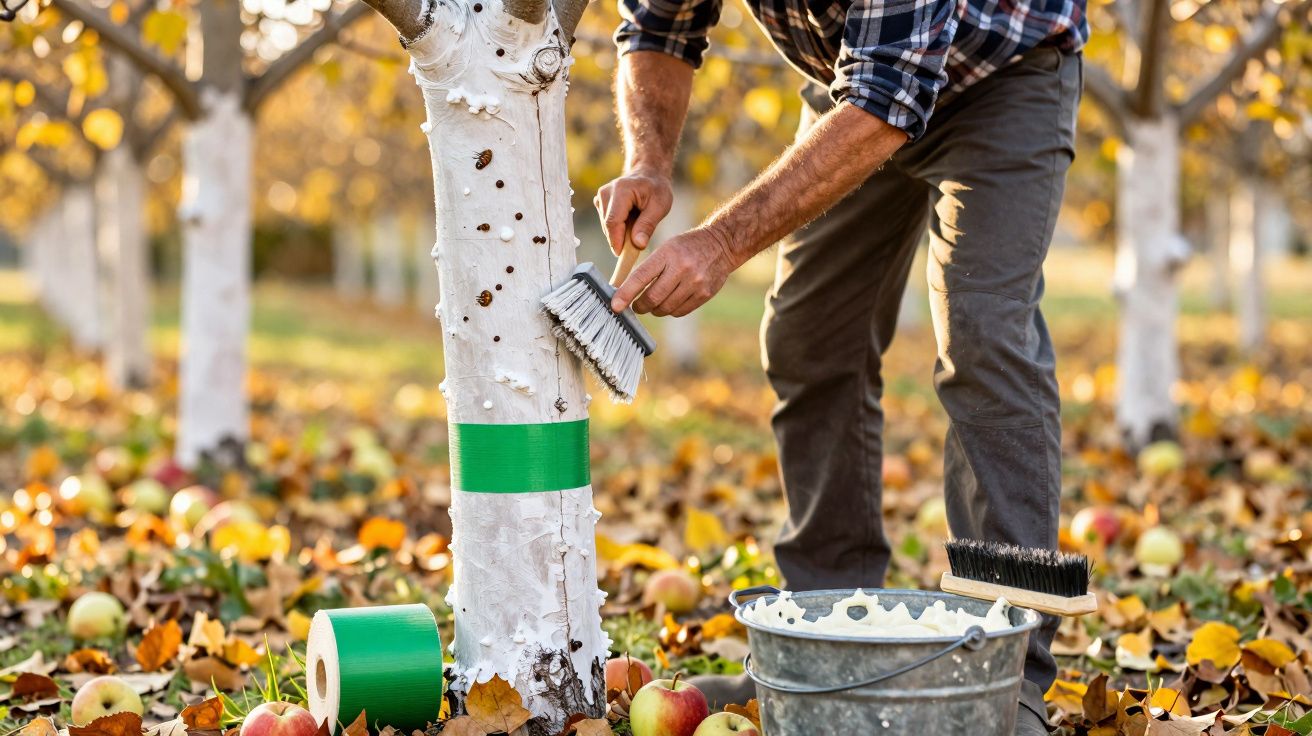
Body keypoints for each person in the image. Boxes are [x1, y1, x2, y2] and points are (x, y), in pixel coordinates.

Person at [594, 0, 1086, 731]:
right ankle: (821, 646)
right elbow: (661, 28)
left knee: (987, 341)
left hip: (999, 76)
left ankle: (1007, 677)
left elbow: (889, 98)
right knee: (809, 336)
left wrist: (722, 242)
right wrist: (648, 162)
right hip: (855, 85)